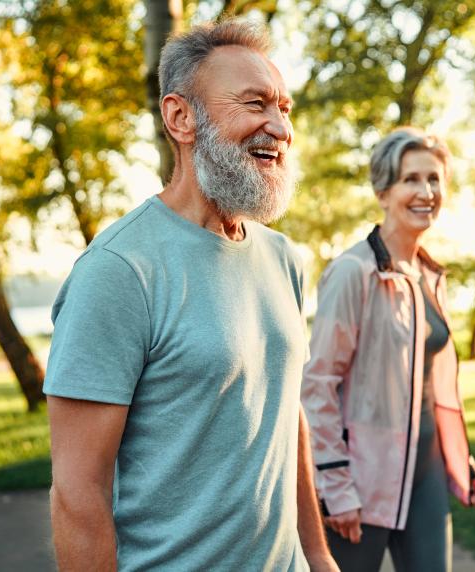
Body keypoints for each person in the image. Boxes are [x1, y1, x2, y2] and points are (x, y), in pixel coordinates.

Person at [44, 20, 336, 572]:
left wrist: (317, 555)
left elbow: (284, 412)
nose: (278, 127)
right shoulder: (119, 271)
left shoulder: (283, 259)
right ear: (181, 118)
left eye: (284, 108)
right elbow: (77, 493)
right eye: (254, 104)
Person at [301, 127, 475, 571]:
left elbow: (426, 384)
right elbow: (317, 386)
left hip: (426, 477)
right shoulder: (353, 272)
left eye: (434, 179)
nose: (426, 192)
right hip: (362, 482)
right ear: (383, 192)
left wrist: (460, 456)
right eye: (411, 179)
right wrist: (335, 485)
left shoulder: (429, 274)